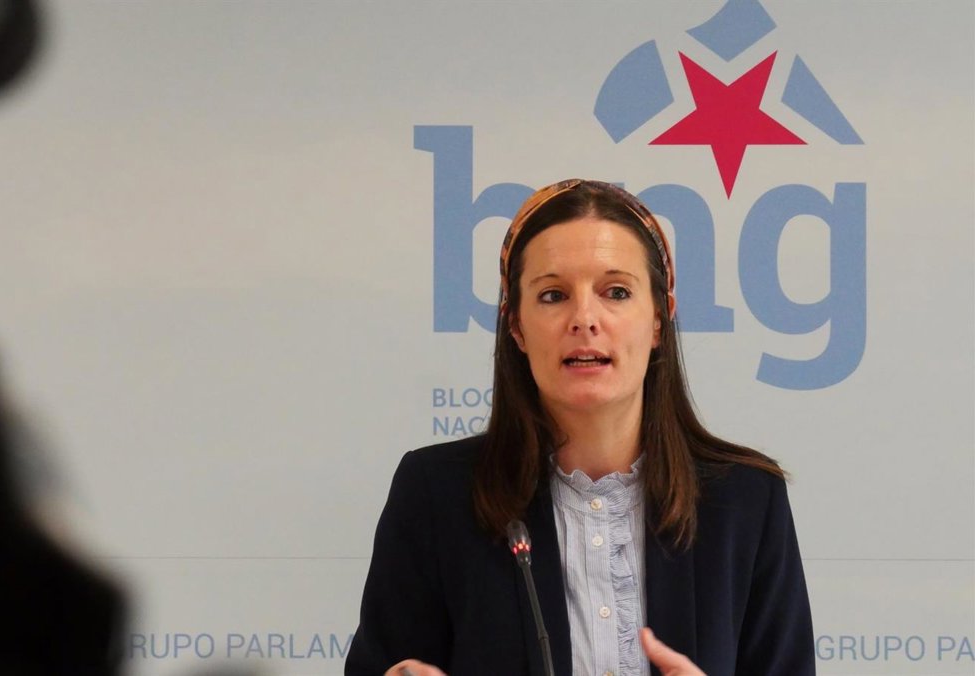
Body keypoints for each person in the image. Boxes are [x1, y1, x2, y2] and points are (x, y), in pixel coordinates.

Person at [345, 179, 814, 676]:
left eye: (616, 292)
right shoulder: (435, 494)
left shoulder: (746, 502)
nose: (585, 319)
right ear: (516, 326)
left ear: (659, 318)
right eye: (553, 295)